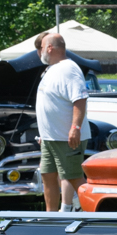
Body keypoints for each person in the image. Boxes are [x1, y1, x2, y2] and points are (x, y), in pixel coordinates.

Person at [35, 32, 90, 212]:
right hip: (50, 138)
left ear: (50, 48)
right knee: (47, 176)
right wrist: (44, 134)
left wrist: (75, 128)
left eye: (42, 47)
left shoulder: (69, 69)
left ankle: (95, 213)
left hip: (66, 138)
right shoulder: (52, 69)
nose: (40, 51)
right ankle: (51, 218)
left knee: (73, 177)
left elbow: (79, 99)